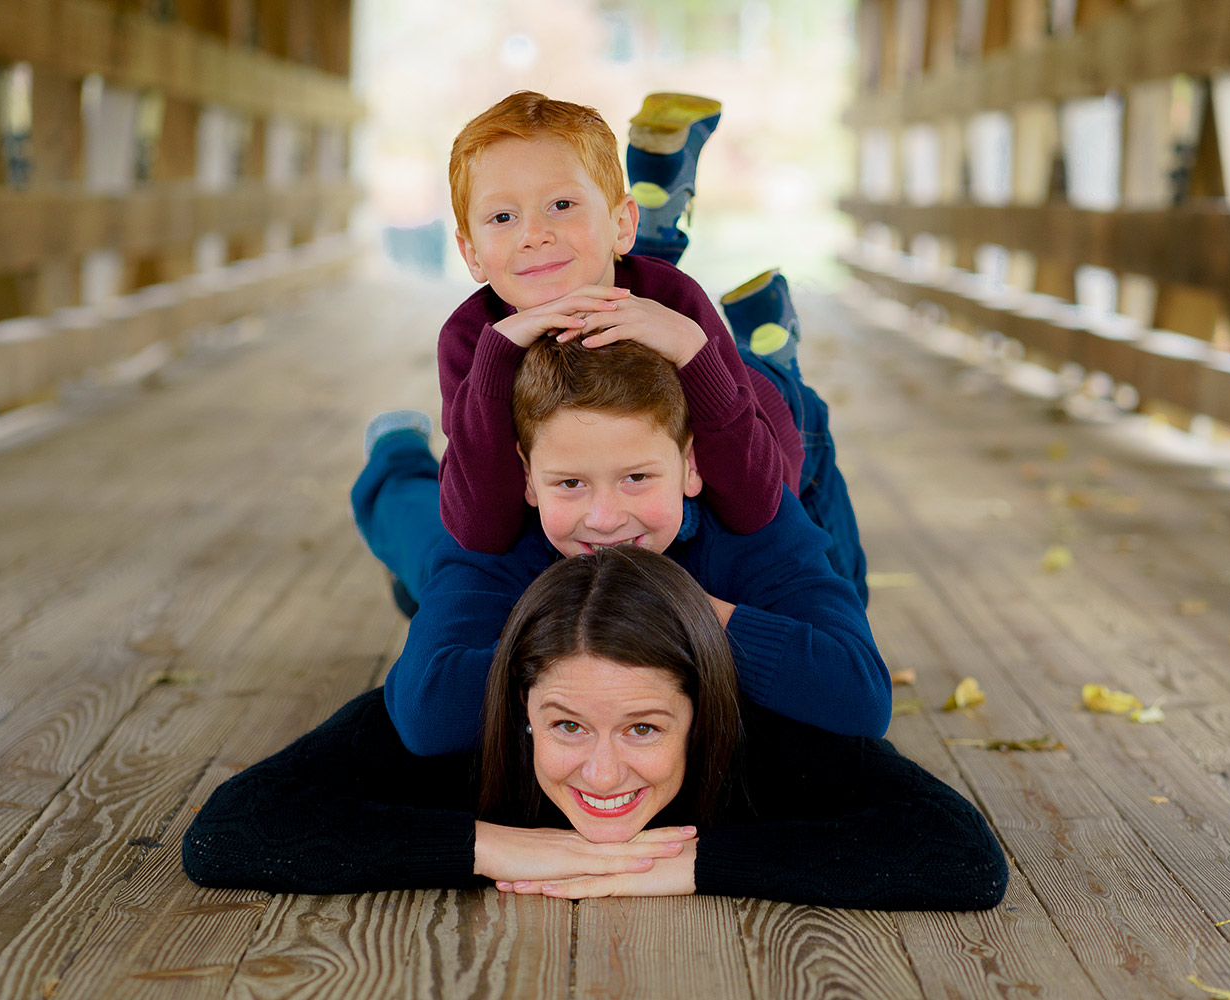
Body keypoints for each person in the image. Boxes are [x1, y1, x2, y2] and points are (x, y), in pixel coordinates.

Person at [182, 546, 1010, 910]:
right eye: (567, 725)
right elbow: (230, 832)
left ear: (704, 709)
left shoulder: (769, 733)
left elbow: (961, 855)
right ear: (518, 707)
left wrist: (689, 864)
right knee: (433, 548)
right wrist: (501, 847)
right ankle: (396, 459)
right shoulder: (456, 728)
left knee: (810, 508)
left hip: (753, 548)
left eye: (646, 729)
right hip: (484, 560)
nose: (604, 775)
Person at [357, 337, 885, 758]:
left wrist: (677, 610)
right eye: (569, 484)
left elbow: (859, 695)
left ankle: (766, 352)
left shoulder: (751, 513)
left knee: (848, 588)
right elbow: (428, 716)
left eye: (636, 477)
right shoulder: (494, 528)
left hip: (776, 419)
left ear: (690, 465)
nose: (605, 520)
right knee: (428, 551)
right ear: (527, 477)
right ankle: (397, 451)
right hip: (481, 538)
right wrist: (597, 630)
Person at [434, 90, 801, 557]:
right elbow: (479, 529)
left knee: (788, 404)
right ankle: (662, 196)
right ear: (472, 256)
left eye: (561, 205)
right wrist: (496, 362)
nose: (533, 236)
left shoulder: (675, 302)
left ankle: (775, 348)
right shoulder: (471, 339)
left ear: (622, 224)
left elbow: (755, 503)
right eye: (503, 217)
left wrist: (692, 349)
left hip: (756, 410)